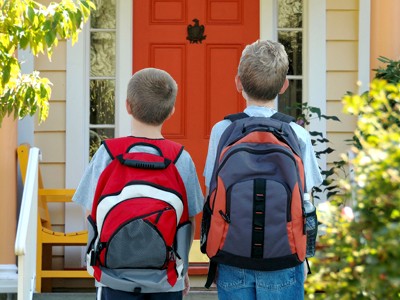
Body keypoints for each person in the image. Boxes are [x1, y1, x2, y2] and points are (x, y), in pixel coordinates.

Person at [203, 40, 323, 299]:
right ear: (284, 85)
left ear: (238, 83)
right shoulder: (297, 133)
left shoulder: (222, 131)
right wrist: (305, 253)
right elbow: (307, 198)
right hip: (284, 257)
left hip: (232, 255)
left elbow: (211, 189)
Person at [73, 68, 204, 300]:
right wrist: (183, 271)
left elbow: (89, 212)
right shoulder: (180, 158)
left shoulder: (108, 153)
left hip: (113, 276)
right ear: (171, 111)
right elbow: (189, 219)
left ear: (128, 106)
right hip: (166, 278)